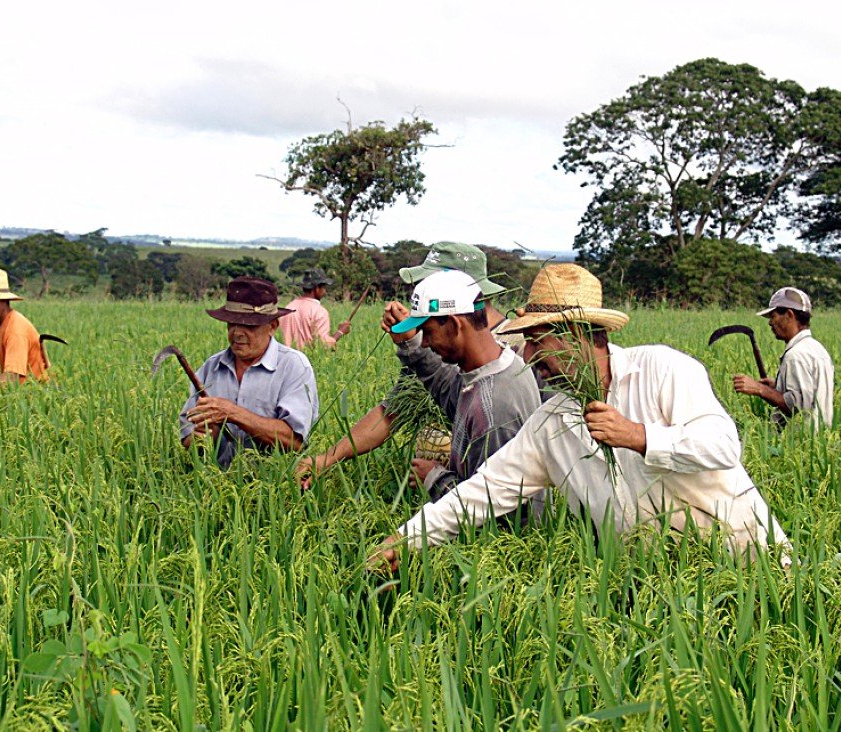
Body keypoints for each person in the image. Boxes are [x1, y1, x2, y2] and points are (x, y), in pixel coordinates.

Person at [371, 264, 790, 572]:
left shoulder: (663, 370)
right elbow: (483, 491)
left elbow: (722, 445)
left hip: (749, 570)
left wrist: (639, 436)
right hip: (660, 587)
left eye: (538, 341)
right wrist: (407, 539)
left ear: (579, 334)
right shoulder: (552, 423)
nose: (528, 357)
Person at [295, 241, 526, 483]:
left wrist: (439, 479)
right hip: (445, 486)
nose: (420, 291)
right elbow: (394, 409)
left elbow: (504, 485)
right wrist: (328, 458)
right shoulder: (436, 345)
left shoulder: (516, 348)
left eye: (428, 285)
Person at [384, 269, 542, 515]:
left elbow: (497, 512)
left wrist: (434, 478)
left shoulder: (494, 405)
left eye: (427, 332)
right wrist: (410, 343)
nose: (424, 342)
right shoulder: (500, 363)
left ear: (455, 325)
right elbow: (449, 388)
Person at [180, 276, 318, 469]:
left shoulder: (294, 367)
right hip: (215, 481)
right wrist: (200, 438)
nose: (237, 333)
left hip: (273, 482)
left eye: (249, 325)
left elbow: (294, 441)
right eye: (231, 323)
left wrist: (232, 413)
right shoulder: (211, 367)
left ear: (272, 326)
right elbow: (187, 438)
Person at [732, 287, 834, 430]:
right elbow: (809, 394)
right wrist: (777, 387)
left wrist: (759, 389)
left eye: (773, 316)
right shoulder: (817, 349)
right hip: (822, 436)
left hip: (800, 438)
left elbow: (796, 406)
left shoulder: (796, 354)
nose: (770, 323)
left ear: (789, 315)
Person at [278, 267, 351, 350]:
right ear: (317, 288)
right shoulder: (319, 311)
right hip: (308, 357)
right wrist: (340, 332)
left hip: (286, 356)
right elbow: (324, 345)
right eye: (324, 287)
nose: (325, 291)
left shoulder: (288, 307)